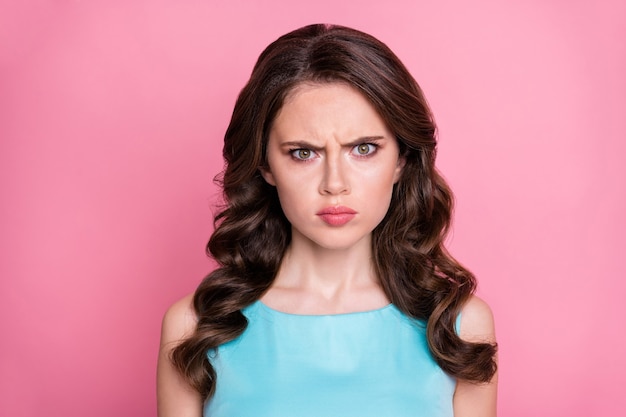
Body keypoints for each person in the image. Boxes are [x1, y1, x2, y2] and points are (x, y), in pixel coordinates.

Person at [157, 23, 498, 417]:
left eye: (364, 148)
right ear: (266, 164)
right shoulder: (194, 329)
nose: (335, 184)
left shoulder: (459, 329)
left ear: (402, 159)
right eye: (304, 153)